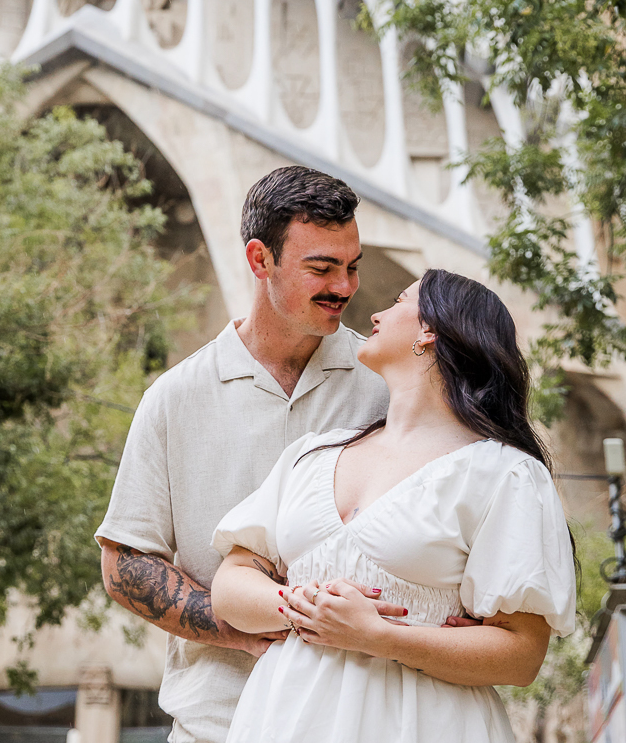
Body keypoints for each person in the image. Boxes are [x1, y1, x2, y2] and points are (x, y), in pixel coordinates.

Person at [210, 269, 577, 743]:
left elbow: (522, 654)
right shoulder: (314, 454)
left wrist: (379, 637)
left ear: (430, 330)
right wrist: (298, 605)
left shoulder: (504, 474)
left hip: (424, 724)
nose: (377, 314)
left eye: (399, 300)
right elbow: (231, 584)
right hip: (284, 717)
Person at [95, 166, 393, 743]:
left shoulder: (385, 384)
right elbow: (124, 562)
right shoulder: (173, 399)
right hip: (218, 726)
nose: (345, 286)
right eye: (321, 268)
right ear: (260, 260)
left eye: (352, 266)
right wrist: (232, 625)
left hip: (360, 721)